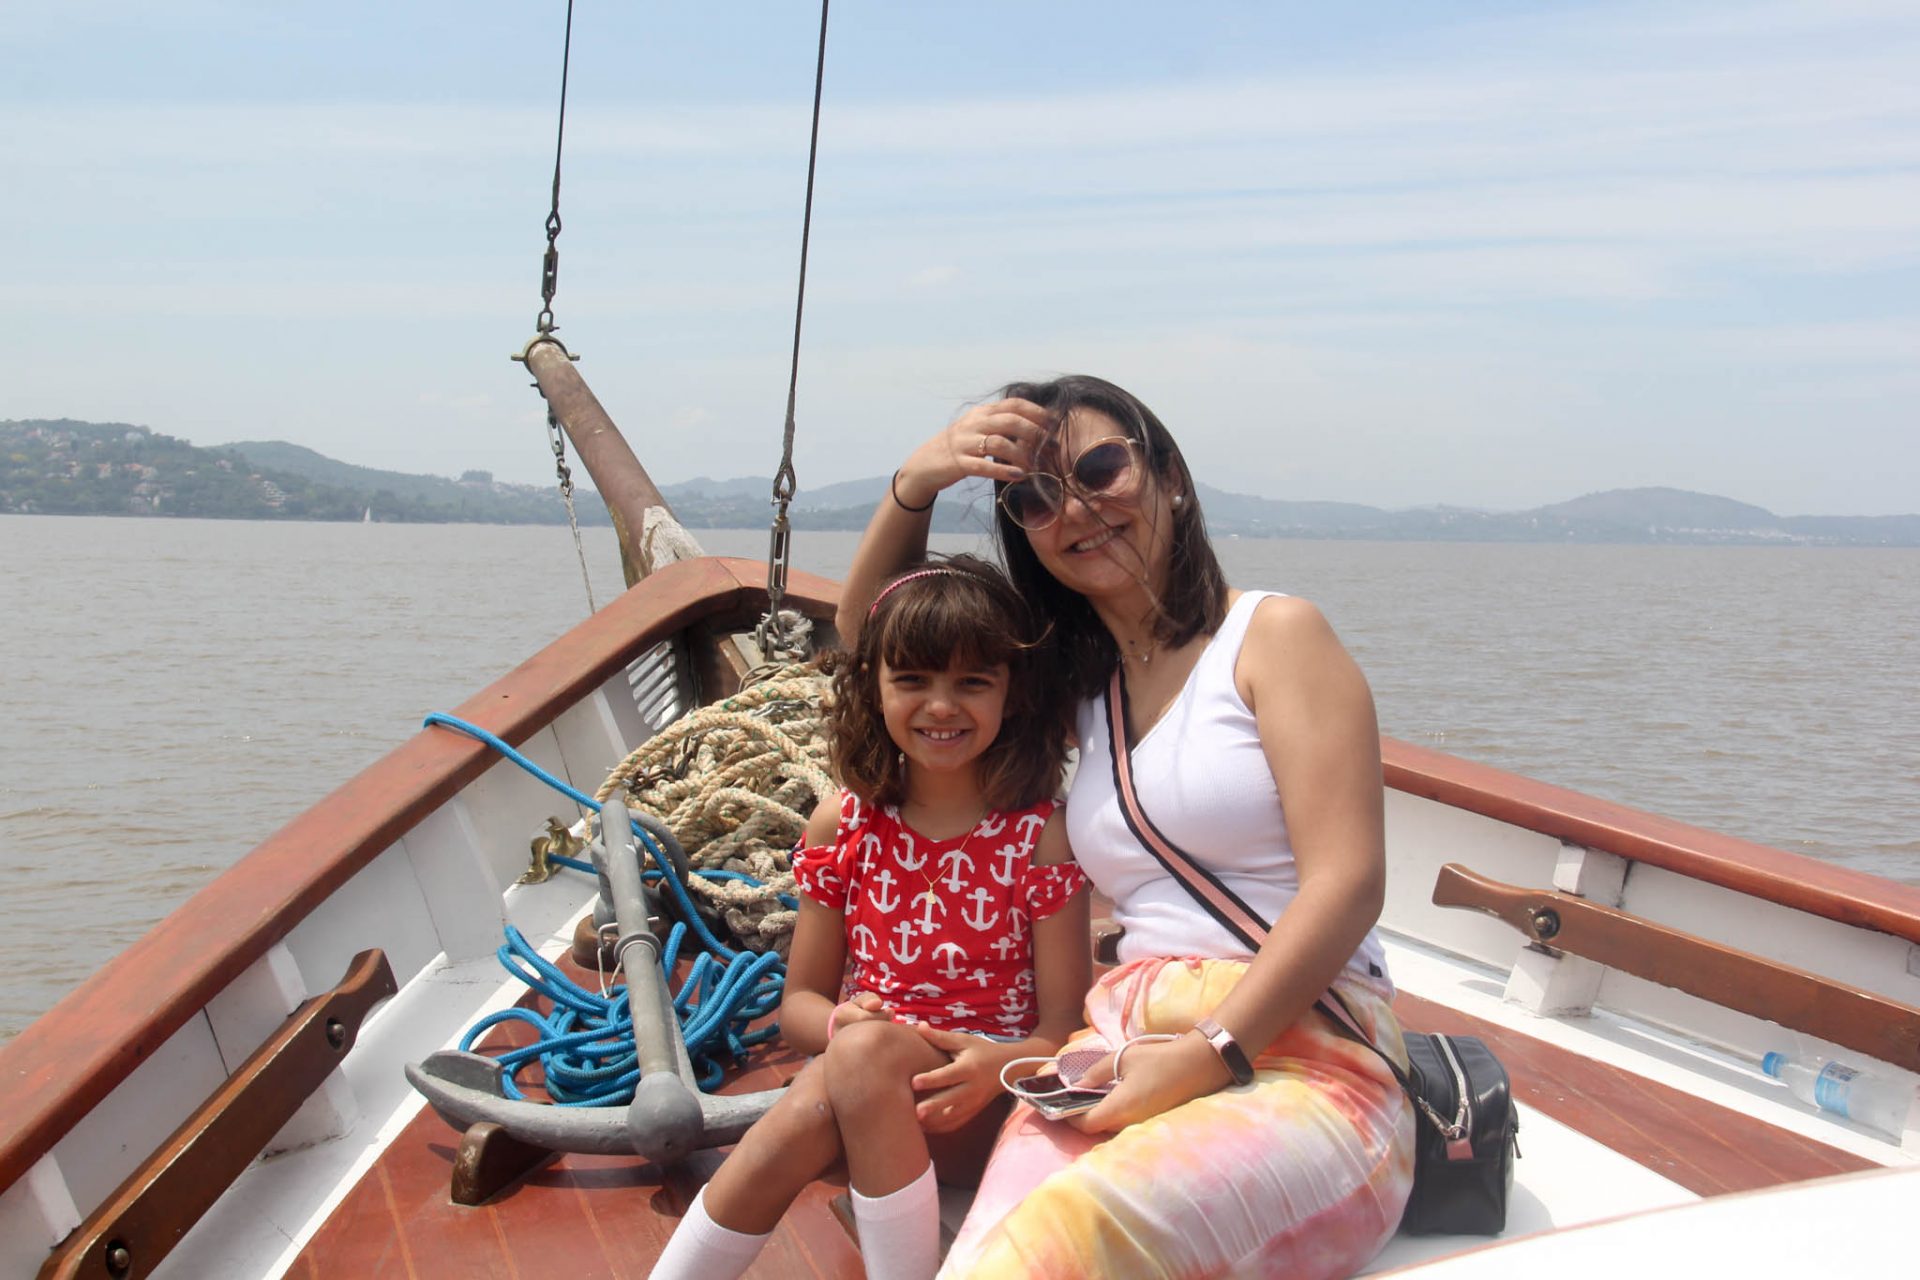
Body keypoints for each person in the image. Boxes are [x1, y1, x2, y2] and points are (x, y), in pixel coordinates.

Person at [839, 376, 1415, 1280]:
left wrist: (1205, 1055)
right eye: (1036, 497)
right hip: (1115, 1042)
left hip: (1301, 1049)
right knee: (989, 1256)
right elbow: (870, 634)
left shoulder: (1274, 637)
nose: (1075, 509)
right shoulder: (1078, 686)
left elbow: (1348, 883)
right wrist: (918, 482)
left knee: (1064, 1236)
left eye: (1101, 469)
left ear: (1169, 477)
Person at [652, 555, 1091, 1280]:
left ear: (1013, 694)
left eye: (972, 682)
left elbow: (1064, 1030)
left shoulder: (1039, 837)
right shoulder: (844, 826)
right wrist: (839, 1024)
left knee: (841, 1076)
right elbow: (799, 1006)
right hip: (865, 1100)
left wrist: (996, 1065)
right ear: (874, 689)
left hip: (989, 1109)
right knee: (844, 1069)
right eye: (912, 680)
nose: (941, 706)